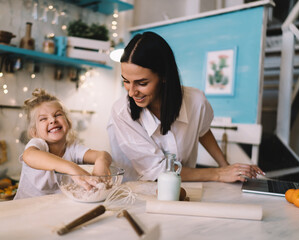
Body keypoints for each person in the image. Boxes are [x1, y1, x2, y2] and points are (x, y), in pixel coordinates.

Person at [107, 31, 264, 182]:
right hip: (136, 192)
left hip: (184, 188)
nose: (132, 92)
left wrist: (227, 167)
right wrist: (219, 173)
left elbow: (202, 131)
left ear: (163, 76)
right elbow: (158, 170)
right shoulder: (122, 113)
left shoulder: (196, 101)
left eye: (142, 83)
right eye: (126, 81)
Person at [15, 89, 112, 199]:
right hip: (27, 209)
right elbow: (29, 155)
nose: (52, 120)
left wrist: (101, 164)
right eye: (43, 119)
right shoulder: (38, 144)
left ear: (68, 122)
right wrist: (72, 168)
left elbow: (103, 155)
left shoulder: (72, 148)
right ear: (35, 132)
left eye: (58, 115)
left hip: (57, 208)